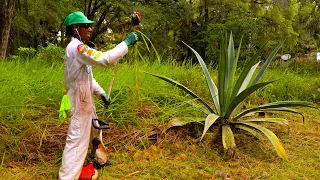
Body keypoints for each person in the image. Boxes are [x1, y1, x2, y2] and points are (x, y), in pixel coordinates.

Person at [59, 11, 138, 180]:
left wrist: (100, 93)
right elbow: (104, 59)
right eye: (86, 26)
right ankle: (66, 177)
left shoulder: (79, 48)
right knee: (77, 141)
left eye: (90, 25)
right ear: (75, 28)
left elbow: (88, 77)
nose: (90, 28)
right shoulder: (78, 48)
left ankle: (99, 160)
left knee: (95, 130)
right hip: (79, 101)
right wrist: (125, 44)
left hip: (85, 98)